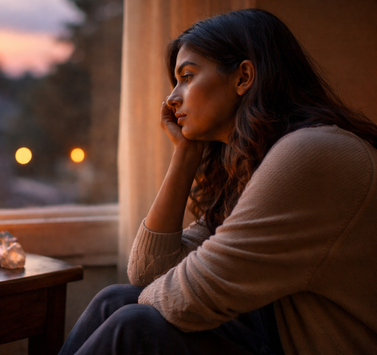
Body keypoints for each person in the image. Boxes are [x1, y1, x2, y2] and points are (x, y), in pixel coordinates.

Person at [58, 8, 377, 355]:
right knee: (114, 300)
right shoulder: (254, 162)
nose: (171, 99)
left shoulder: (312, 153)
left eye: (188, 76)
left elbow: (189, 298)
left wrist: (137, 304)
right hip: (275, 335)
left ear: (243, 77)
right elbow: (147, 274)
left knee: (132, 323)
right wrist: (184, 155)